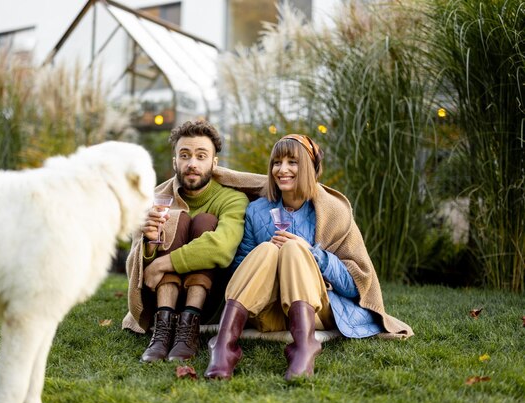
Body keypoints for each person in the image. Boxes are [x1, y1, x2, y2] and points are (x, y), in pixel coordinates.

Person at [204, 134, 414, 381]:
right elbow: (239, 269)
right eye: (277, 162)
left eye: (292, 162)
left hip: (314, 312)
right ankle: (224, 347)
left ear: (310, 168)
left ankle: (304, 346)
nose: (282, 170)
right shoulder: (256, 210)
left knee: (294, 249)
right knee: (267, 250)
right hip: (268, 313)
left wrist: (312, 253)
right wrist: (268, 263)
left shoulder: (331, 213)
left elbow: (356, 285)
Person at [122, 120, 266, 363]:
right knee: (175, 219)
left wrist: (162, 264)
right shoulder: (158, 199)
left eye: (201, 156)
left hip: (210, 301)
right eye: (185, 155)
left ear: (214, 163)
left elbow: (221, 248)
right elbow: (138, 266)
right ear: (175, 161)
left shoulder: (231, 199)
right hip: (161, 297)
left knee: (204, 222)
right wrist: (147, 244)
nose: (192, 164)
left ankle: (188, 328)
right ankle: (163, 329)